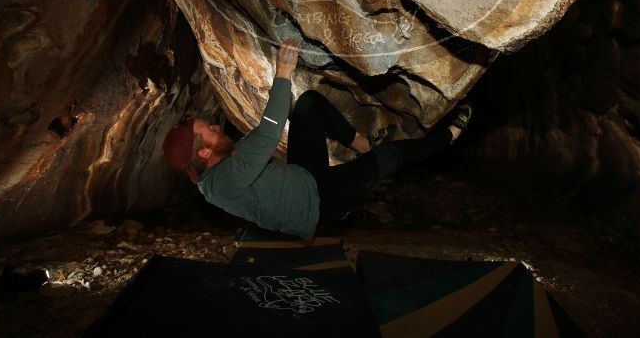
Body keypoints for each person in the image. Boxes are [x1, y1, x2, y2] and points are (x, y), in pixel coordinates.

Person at [162, 39, 472, 239]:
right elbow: (269, 132)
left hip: (302, 175)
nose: (217, 129)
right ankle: (448, 138)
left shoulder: (223, 163)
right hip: (319, 203)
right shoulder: (223, 183)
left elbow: (258, 136)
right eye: (210, 132)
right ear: (203, 154)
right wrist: (283, 71)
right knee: (392, 156)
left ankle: (362, 144)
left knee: (308, 104)